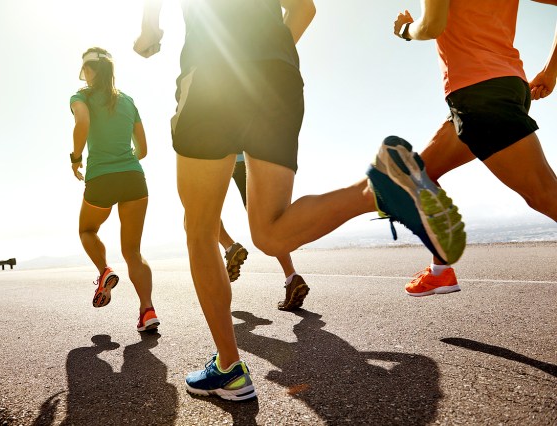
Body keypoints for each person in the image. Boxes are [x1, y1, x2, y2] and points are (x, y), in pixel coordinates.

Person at [135, 0, 465, 401]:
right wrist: (265, 56)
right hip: (278, 77)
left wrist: (149, 31)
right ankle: (378, 189)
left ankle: (228, 368)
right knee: (271, 233)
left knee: (200, 229)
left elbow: (151, 30)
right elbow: (305, 10)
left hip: (212, 75)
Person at [393, 1, 557, 297]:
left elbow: (431, 26)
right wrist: (550, 72)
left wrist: (405, 30)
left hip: (479, 92)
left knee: (545, 195)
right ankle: (440, 272)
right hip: (502, 87)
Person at [70, 47, 160, 332]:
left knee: (87, 230)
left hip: (101, 179)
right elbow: (143, 149)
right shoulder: (128, 100)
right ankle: (147, 311)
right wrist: (125, 157)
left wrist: (76, 158)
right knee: (133, 251)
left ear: (89, 70)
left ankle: (104, 270)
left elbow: (82, 122)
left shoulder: (80, 97)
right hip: (133, 176)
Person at [219, 154, 310, 311]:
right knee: (265, 218)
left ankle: (229, 247)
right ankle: (291, 276)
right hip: (247, 155)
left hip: (215, 155)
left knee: (199, 213)